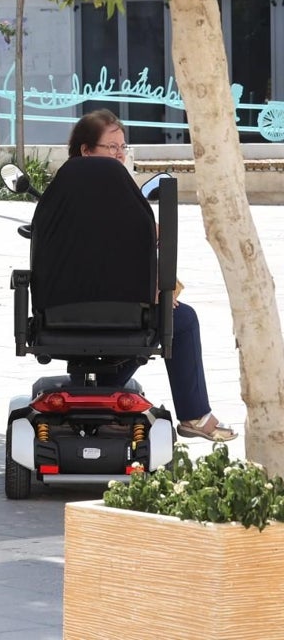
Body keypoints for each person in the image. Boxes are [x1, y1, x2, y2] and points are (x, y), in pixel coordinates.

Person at [67, 109, 237, 442]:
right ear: (87, 150)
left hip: (60, 309)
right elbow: (118, 255)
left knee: (157, 318)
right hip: (115, 304)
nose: (119, 154)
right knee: (180, 321)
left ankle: (104, 389)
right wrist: (156, 288)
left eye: (122, 147)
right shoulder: (114, 191)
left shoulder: (60, 192)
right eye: (111, 148)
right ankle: (192, 415)